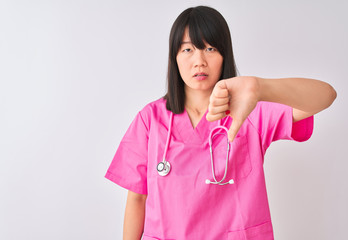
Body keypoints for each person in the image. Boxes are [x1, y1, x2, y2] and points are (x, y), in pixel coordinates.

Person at [105, 6, 336, 240]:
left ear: (225, 54)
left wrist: (258, 87)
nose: (199, 61)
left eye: (210, 48)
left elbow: (326, 96)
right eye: (187, 49)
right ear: (174, 58)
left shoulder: (250, 110)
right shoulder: (150, 119)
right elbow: (137, 198)